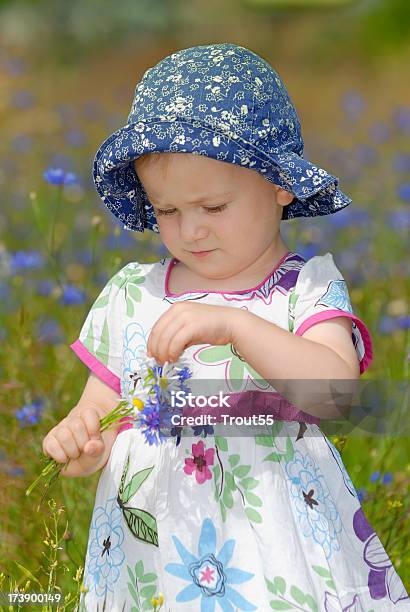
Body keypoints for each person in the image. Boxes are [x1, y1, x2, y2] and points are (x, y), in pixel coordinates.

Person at [42, 43, 410, 611]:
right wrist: (83, 439)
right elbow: (102, 408)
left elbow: (337, 396)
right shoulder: (132, 293)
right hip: (153, 544)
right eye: (167, 211)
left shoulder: (303, 289)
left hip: (272, 542)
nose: (189, 231)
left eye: (213, 207)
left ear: (280, 184)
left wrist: (237, 326)